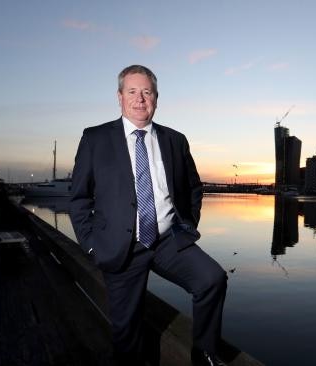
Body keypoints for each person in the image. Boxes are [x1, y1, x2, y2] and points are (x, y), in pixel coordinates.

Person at [70, 65, 228, 366]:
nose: (140, 98)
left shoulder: (175, 140)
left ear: (156, 98)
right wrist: (91, 244)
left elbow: (194, 187)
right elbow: (78, 198)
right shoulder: (95, 138)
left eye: (147, 92)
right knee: (127, 336)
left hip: (168, 240)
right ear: (120, 97)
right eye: (132, 91)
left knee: (212, 279)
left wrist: (188, 223)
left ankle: (204, 353)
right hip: (121, 247)